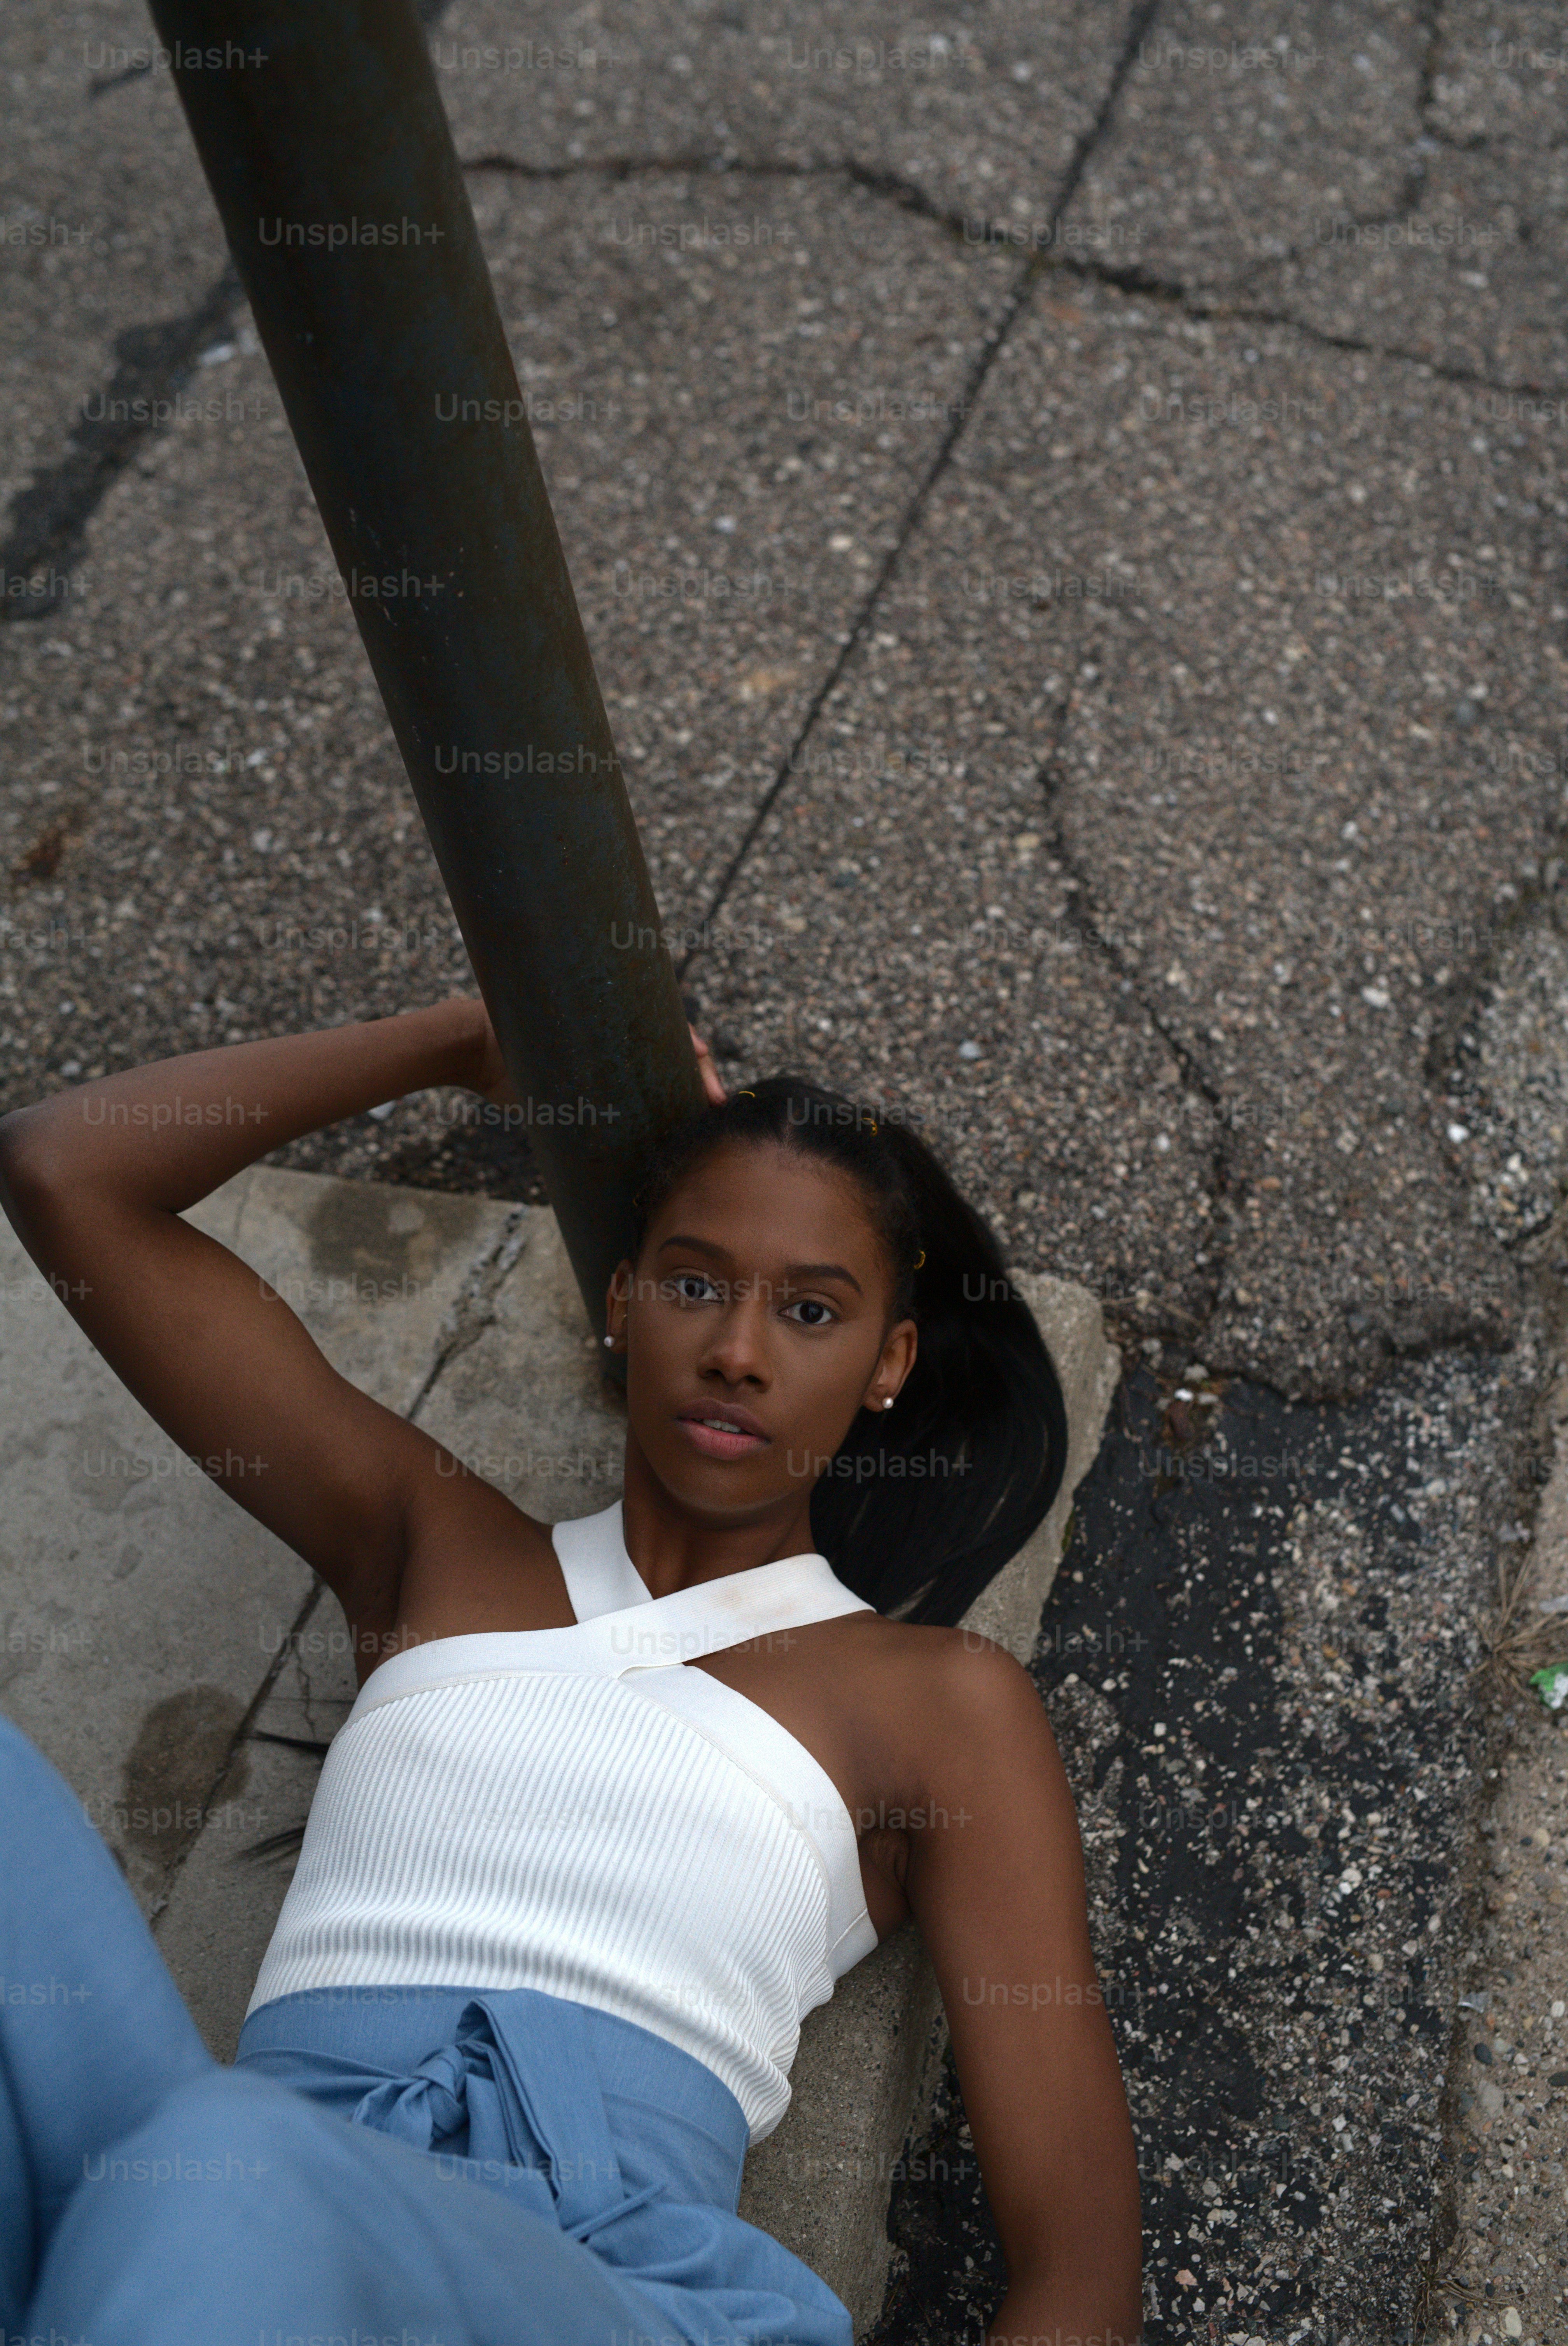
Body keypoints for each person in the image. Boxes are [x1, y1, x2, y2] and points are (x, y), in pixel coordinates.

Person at [0, 995, 1143, 2346]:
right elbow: (66, 1171)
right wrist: (462, 1042)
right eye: (695, 1282)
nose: (736, 1347)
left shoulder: (939, 1705)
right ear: (623, 1299)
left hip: (594, 2281)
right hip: (233, 2200)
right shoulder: (433, 1542)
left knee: (222, 2183)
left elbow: (1077, 2263)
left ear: (890, 1361)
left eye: (813, 1310)